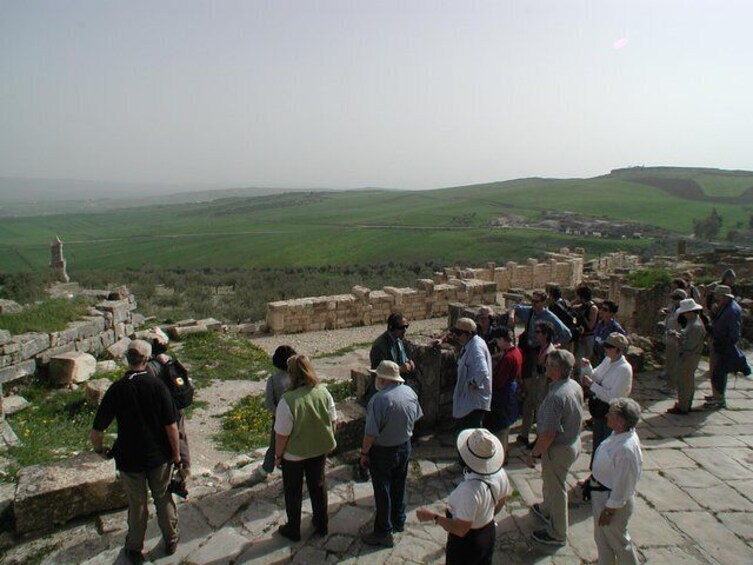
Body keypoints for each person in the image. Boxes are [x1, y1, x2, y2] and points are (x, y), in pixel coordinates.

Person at [90, 340, 180, 564]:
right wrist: (177, 455)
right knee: (164, 498)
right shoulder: (158, 386)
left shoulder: (117, 388)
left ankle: (134, 547)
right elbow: (171, 426)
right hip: (158, 454)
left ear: (127, 360)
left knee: (137, 504)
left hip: (129, 457)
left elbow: (97, 429)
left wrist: (100, 449)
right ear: (147, 358)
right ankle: (171, 539)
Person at [416, 429, 511, 565]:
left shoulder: (470, 491)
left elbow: (461, 529)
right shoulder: (500, 474)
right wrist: (484, 515)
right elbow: (501, 502)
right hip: (488, 532)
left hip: (468, 544)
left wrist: (433, 517)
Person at [360, 360, 423, 547]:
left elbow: (370, 433)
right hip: (404, 445)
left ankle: (383, 531)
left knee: (383, 490)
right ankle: (398, 520)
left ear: (383, 378)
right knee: (399, 484)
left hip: (383, 451)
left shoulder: (378, 400)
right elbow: (417, 416)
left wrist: (364, 453)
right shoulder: (410, 392)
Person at [274, 354, 338, 542]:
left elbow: (282, 434)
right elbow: (334, 421)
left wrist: (278, 456)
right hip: (319, 449)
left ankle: (293, 528)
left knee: (293, 491)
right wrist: (327, 440)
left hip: (295, 454)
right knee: (318, 486)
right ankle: (321, 523)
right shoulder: (323, 392)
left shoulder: (288, 400)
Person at [527, 349, 584, 546]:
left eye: (549, 364)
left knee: (557, 488)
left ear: (557, 370)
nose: (546, 366)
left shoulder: (556, 397)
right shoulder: (574, 385)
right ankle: (546, 509)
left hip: (558, 448)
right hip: (573, 440)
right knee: (550, 482)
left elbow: (549, 434)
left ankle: (558, 532)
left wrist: (534, 453)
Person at [589, 398, 643, 565]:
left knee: (619, 543)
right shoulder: (618, 434)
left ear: (620, 421)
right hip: (601, 494)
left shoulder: (625, 449)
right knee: (602, 539)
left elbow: (623, 484)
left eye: (610, 413)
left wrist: (610, 510)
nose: (606, 415)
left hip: (611, 501)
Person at [579, 333, 633, 465]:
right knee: (597, 445)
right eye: (606, 345)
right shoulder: (607, 360)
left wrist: (592, 385)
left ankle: (602, 478)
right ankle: (594, 475)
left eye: (609, 347)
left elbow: (613, 397)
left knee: (607, 446)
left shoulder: (624, 369)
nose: (605, 349)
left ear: (618, 350)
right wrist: (587, 367)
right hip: (599, 410)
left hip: (612, 413)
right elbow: (596, 376)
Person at [145, 331, 191, 473]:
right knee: (181, 434)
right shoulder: (171, 360)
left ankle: (172, 467)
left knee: (168, 436)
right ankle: (186, 466)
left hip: (163, 406)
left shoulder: (150, 367)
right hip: (177, 403)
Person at [705, 285, 751, 409]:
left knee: (718, 372)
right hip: (718, 342)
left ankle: (719, 399)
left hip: (723, 345)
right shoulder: (724, 306)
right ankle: (717, 395)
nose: (715, 297)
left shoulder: (732, 311)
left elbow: (734, 333)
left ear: (723, 296)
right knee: (715, 370)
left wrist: (724, 344)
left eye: (717, 295)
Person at [516, 322, 557, 448]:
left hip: (543, 388)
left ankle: (539, 442)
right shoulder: (539, 348)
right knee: (527, 408)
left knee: (541, 415)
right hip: (535, 385)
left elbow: (551, 373)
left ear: (546, 335)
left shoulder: (550, 352)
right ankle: (524, 435)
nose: (536, 335)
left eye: (538, 332)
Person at [483, 327, 521, 460]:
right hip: (511, 390)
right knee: (505, 428)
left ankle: (500, 456)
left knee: (500, 428)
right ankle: (504, 452)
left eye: (498, 341)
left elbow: (499, 381)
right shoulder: (515, 351)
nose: (497, 344)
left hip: (503, 393)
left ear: (502, 340)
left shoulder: (508, 358)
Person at [450, 318, 493, 433]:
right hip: (469, 401)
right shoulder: (471, 344)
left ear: (468, 334)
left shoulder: (476, 348)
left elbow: (483, 371)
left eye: (459, 334)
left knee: (471, 435)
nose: (456, 336)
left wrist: (473, 383)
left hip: (474, 402)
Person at [260, 345, 297, 476]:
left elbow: (269, 403)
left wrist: (279, 414)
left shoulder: (273, 380)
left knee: (274, 444)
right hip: (298, 416)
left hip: (280, 418)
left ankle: (266, 468)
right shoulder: (297, 376)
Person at [668, 299, 706, 415]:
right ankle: (684, 403)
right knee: (684, 381)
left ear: (690, 312)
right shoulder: (693, 322)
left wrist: (677, 338)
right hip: (688, 356)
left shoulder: (696, 326)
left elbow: (688, 346)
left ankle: (683, 407)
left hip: (689, 357)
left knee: (685, 382)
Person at [367, 313, 415, 403]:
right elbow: (379, 373)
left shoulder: (399, 340)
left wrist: (409, 362)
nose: (404, 330)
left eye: (406, 327)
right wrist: (400, 369)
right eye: (401, 328)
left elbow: (402, 356)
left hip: (397, 389)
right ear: (391, 328)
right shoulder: (379, 346)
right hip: (383, 393)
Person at [662, 289, 686, 391]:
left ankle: (672, 386)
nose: (672, 300)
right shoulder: (675, 308)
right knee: (669, 362)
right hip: (670, 338)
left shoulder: (682, 311)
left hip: (676, 339)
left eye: (675, 298)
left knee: (674, 364)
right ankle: (669, 383)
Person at [572, 285, 599, 363]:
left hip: (588, 337)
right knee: (577, 359)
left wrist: (582, 316)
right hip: (581, 336)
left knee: (585, 360)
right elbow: (572, 306)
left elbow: (591, 326)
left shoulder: (593, 308)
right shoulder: (583, 306)